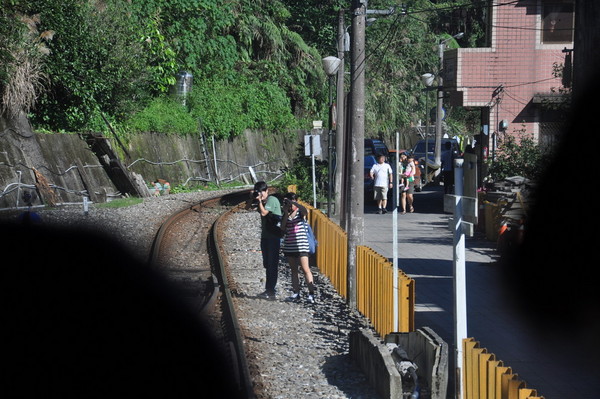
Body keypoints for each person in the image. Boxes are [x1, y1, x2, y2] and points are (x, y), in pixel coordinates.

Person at [246, 181, 282, 300]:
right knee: (267, 264)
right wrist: (252, 198)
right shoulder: (263, 201)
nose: (260, 194)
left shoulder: (271, 200)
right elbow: (247, 208)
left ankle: (271, 290)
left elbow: (264, 212)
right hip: (265, 236)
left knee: (272, 264)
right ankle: (269, 289)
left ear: (267, 191)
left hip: (273, 237)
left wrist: (260, 201)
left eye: (262, 191)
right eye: (258, 191)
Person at [280, 192, 316, 304]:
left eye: (291, 201)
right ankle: (296, 292)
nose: (290, 204)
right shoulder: (286, 213)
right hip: (290, 246)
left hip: (302, 246)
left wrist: (295, 203)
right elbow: (282, 228)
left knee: (306, 269)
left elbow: (305, 211)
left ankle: (311, 294)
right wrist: (286, 212)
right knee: (294, 270)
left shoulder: (300, 212)